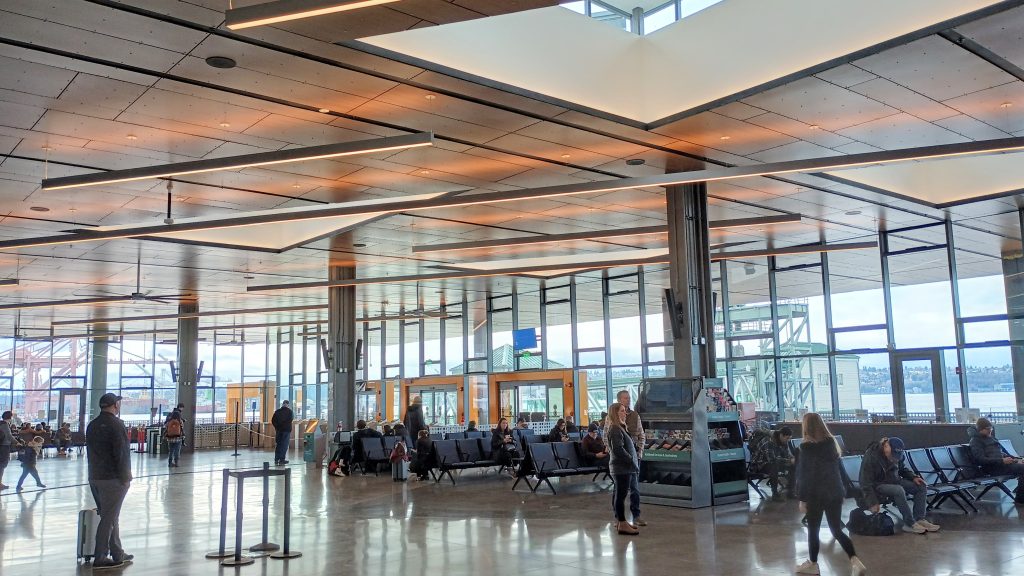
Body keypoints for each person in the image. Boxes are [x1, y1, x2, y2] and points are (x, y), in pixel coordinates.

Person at [795, 412, 865, 576]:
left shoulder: (805, 449)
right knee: (836, 530)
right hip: (834, 492)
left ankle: (813, 564)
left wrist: (802, 499)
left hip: (815, 495)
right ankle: (855, 560)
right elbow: (839, 471)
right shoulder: (831, 445)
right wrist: (843, 491)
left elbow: (805, 476)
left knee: (813, 530)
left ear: (806, 427)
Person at [86, 393, 134, 570]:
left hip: (95, 477)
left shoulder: (92, 425)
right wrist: (125, 477)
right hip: (113, 478)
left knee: (110, 515)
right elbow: (121, 454)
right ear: (115, 405)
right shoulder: (116, 424)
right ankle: (100, 556)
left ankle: (117, 553)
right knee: (109, 517)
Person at [860, 437, 938, 534]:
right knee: (898, 490)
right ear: (886, 446)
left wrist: (913, 477)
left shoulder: (897, 455)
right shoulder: (871, 456)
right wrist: (872, 502)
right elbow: (865, 481)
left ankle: (919, 519)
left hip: (894, 480)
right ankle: (909, 523)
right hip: (878, 484)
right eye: (893, 455)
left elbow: (902, 469)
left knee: (921, 486)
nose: (894, 458)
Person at [968, 417, 1024, 505]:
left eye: (991, 428)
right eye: (988, 429)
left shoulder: (992, 438)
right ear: (981, 429)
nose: (990, 430)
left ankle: (1021, 496)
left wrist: (1016, 460)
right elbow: (980, 460)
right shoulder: (975, 441)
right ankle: (1020, 498)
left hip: (1002, 465)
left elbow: (1003, 453)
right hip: (992, 468)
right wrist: (1001, 461)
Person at [606, 404, 640, 535]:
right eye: (622, 411)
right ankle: (622, 522)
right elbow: (618, 449)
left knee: (621, 495)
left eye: (625, 411)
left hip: (625, 468)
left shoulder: (620, 428)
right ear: (615, 413)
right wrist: (630, 459)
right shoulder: (615, 429)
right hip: (622, 468)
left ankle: (622, 522)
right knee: (621, 496)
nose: (625, 413)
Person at [753, 427, 796, 501]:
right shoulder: (768, 441)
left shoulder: (784, 442)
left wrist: (792, 459)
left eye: (790, 438)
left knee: (794, 466)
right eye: (787, 438)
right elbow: (772, 459)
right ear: (781, 435)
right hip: (760, 465)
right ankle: (775, 494)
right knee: (774, 466)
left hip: (775, 462)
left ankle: (791, 492)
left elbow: (787, 454)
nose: (788, 440)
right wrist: (789, 461)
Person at [616, 390, 645, 457]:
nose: (628, 400)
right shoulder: (612, 416)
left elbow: (641, 435)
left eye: (629, 398)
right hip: (618, 455)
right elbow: (606, 435)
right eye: (626, 398)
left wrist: (640, 451)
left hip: (633, 452)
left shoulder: (635, 415)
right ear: (619, 400)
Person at [271, 400, 294, 467]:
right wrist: (285, 426)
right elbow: (290, 420)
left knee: (278, 444)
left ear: (282, 404)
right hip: (286, 431)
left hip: (279, 430)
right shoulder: (290, 412)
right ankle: (282, 460)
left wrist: (277, 427)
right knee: (284, 445)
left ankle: (276, 459)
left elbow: (273, 420)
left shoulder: (277, 412)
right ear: (287, 404)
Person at [0, 410, 15, 490]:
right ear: (10, 417)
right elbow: (9, 436)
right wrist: (17, 442)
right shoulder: (5, 425)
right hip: (4, 446)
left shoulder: (0, 423)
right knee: (2, 465)